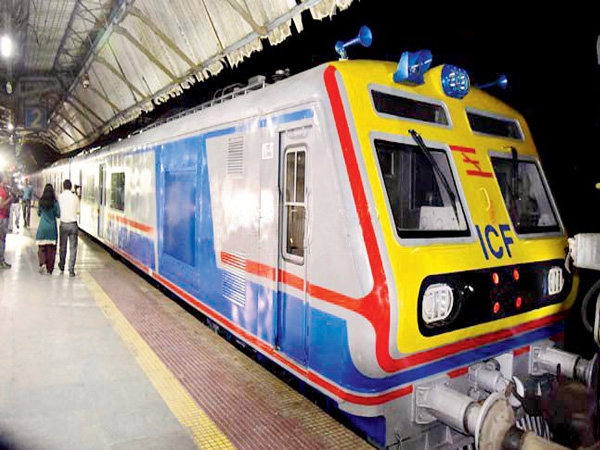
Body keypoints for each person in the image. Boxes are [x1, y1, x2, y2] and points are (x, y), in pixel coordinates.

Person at [36, 184, 60, 274]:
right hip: (52, 229)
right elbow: (58, 214)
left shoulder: (41, 202)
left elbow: (39, 213)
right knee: (51, 250)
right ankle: (50, 269)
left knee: (41, 248)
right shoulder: (55, 203)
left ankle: (42, 263)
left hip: (42, 228)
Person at [58, 179, 79, 277]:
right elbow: (78, 211)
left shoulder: (60, 197)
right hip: (73, 224)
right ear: (70, 187)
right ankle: (71, 269)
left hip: (63, 224)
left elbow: (58, 210)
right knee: (73, 248)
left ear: (63, 186)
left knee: (63, 246)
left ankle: (62, 264)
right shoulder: (75, 197)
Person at [0, 173, 13, 269]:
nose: (8, 178)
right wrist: (10, 199)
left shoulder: (4, 190)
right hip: (1, 218)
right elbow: (1, 205)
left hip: (3, 217)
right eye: (6, 177)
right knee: (2, 240)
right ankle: (1, 261)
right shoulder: (2, 191)